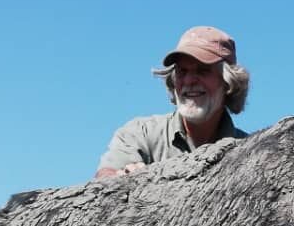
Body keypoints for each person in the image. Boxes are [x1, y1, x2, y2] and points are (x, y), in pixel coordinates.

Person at [95, 26, 250, 179]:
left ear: (228, 82)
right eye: (182, 71)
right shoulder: (140, 133)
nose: (189, 80)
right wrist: (120, 177)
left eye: (203, 70)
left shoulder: (249, 151)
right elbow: (104, 180)